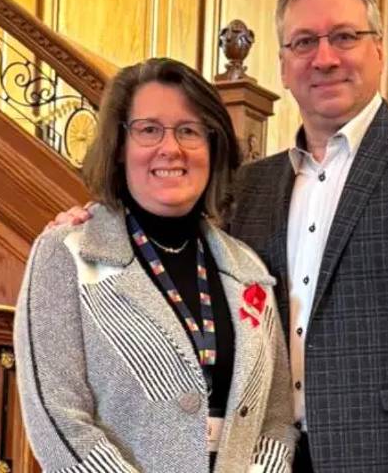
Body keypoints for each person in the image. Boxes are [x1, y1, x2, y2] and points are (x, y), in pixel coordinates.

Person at [53, 0, 388, 472]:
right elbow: (169, 246)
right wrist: (98, 221)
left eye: (344, 36)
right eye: (304, 42)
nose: (325, 57)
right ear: (284, 64)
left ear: (378, 49)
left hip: (386, 457)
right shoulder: (251, 185)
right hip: (261, 458)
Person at [15, 58, 297, 473]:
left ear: (213, 147)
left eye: (189, 130)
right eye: (149, 129)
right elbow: (57, 418)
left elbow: (274, 421)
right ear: (119, 146)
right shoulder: (68, 250)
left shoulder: (248, 267)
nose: (171, 148)